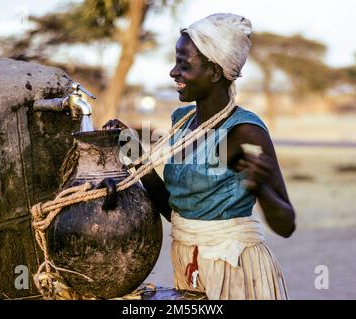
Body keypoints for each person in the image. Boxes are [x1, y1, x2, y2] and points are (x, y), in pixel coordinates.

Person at [102, 13, 296, 300]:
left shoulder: (243, 131)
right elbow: (175, 210)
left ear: (215, 72)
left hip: (236, 270)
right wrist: (131, 150)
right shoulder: (182, 122)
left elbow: (286, 224)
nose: (173, 72)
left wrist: (262, 187)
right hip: (189, 268)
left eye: (184, 64)